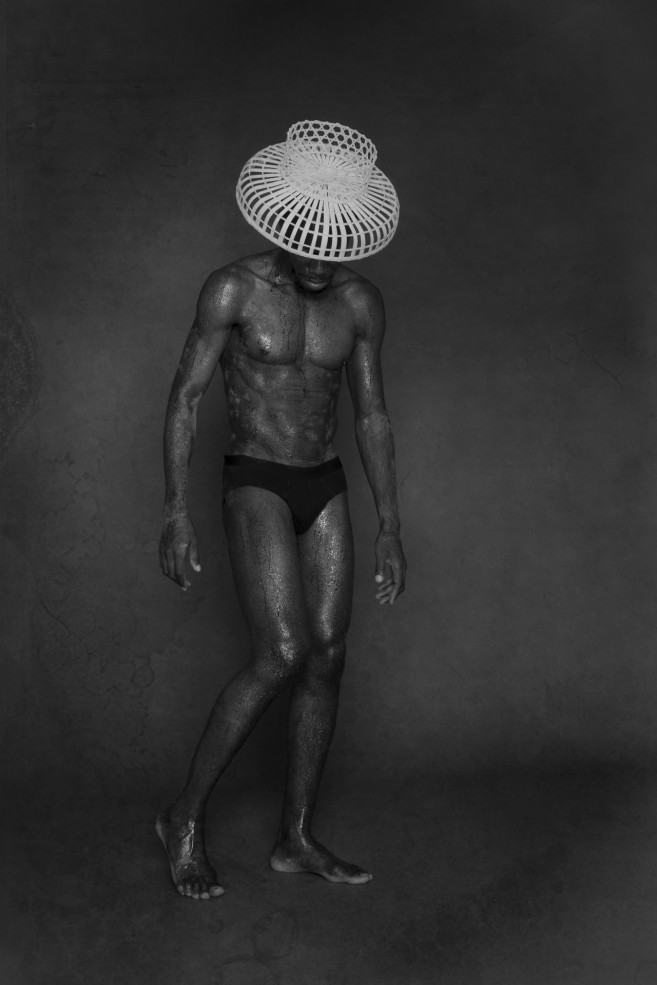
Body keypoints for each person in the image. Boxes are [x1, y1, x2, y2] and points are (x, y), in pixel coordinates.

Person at [156, 120, 407, 900]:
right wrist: (175, 510)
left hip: (321, 479)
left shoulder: (358, 302)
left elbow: (371, 413)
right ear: (285, 223)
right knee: (282, 651)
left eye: (335, 247)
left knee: (327, 655)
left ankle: (295, 837)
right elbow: (186, 397)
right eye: (310, 245)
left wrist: (390, 523)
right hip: (256, 476)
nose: (321, 263)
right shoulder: (233, 288)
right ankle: (183, 818)